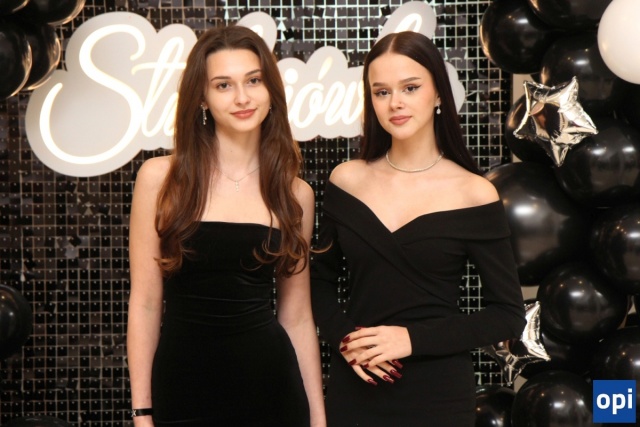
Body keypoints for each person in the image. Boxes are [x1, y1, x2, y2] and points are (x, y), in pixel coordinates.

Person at [310, 31, 527, 427]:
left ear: (439, 93)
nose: (395, 102)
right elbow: (318, 282)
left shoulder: (473, 192)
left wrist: (411, 339)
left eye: (410, 87)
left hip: (438, 395)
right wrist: (346, 340)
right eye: (381, 92)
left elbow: (508, 315)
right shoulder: (346, 180)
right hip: (357, 385)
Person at [127, 25, 325, 427]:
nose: (242, 97)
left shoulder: (294, 193)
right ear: (201, 97)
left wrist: (318, 419)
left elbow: (297, 316)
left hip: (272, 395)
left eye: (253, 80)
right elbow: (145, 303)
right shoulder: (160, 179)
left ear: (270, 89)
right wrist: (142, 413)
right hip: (183, 392)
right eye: (223, 85)